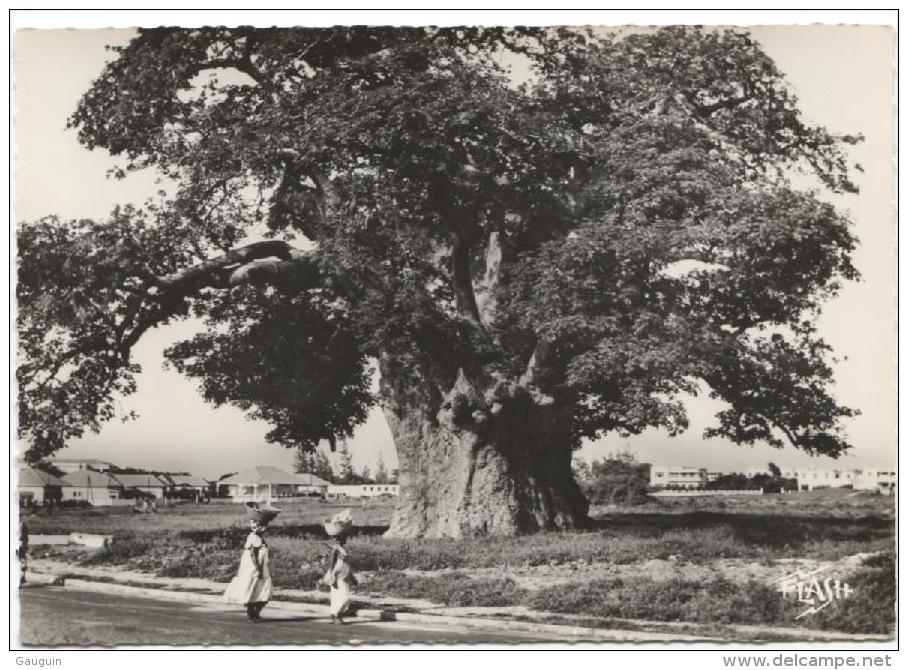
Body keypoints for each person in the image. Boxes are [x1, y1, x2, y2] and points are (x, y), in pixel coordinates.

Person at [223, 502, 280, 622]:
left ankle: (255, 613)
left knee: (261, 592)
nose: (264, 529)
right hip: (254, 568)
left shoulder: (259, 538)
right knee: (253, 589)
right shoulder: (254, 537)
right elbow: (253, 554)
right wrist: (258, 569)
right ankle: (251, 614)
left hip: (260, 567)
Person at [324, 534, 357, 624]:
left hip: (344, 574)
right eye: (342, 538)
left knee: (338, 597)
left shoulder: (342, 549)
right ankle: (337, 615)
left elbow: (347, 564)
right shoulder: (336, 548)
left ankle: (335, 615)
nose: (344, 540)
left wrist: (352, 577)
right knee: (343, 597)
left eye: (344, 538)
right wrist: (332, 576)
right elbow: (332, 563)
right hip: (337, 575)